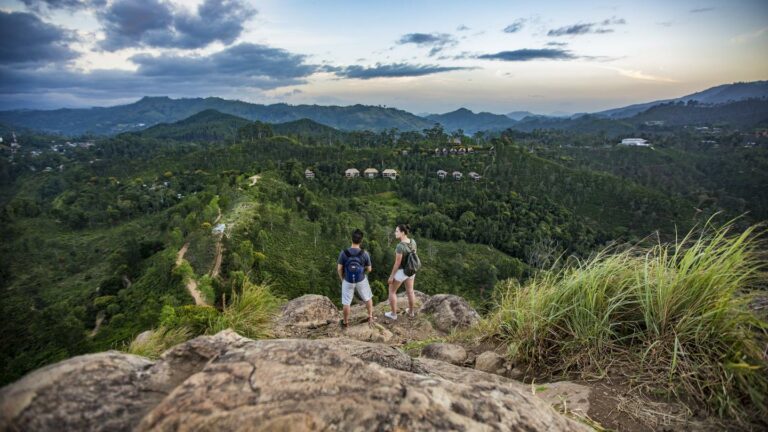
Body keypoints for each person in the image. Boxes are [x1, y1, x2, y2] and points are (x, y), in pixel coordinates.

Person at [337, 229, 374, 327]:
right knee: (367, 298)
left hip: (348, 280)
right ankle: (370, 316)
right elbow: (370, 269)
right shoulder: (364, 253)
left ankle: (345, 323)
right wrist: (363, 270)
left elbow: (339, 268)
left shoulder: (344, 253)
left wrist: (342, 279)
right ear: (361, 241)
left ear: (351, 239)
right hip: (361, 279)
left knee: (346, 302)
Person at [384, 224, 417, 320]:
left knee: (392, 291)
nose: (395, 233)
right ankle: (411, 312)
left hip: (402, 272)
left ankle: (393, 314)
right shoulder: (413, 242)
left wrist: (391, 276)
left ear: (402, 232)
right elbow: (413, 257)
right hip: (411, 270)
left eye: (397, 231)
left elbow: (397, 264)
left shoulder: (400, 246)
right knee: (410, 291)